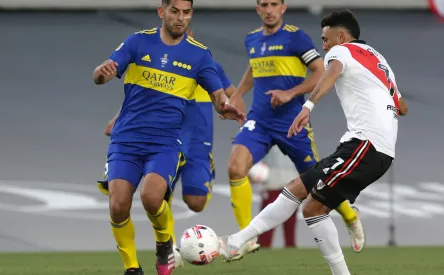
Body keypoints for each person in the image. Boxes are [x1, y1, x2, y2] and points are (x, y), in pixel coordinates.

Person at [219, 10, 408, 275]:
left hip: (366, 146)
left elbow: (331, 73)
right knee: (300, 192)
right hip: (363, 146)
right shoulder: (378, 60)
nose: (324, 45)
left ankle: (237, 242)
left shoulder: (341, 52)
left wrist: (308, 105)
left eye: (326, 39)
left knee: (312, 207)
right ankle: (237, 241)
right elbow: (402, 107)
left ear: (341, 36)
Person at [92, 1, 245, 275]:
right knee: (118, 205)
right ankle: (132, 268)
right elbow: (102, 76)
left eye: (186, 13)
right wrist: (101, 74)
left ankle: (164, 242)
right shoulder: (137, 42)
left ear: (191, 15)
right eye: (174, 11)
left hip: (164, 142)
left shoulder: (199, 55)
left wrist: (225, 106)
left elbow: (217, 95)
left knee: (152, 198)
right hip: (126, 139)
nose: (180, 18)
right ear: (162, 12)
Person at [226, 0, 364, 256]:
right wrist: (239, 93)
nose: (269, 9)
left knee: (318, 182)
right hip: (260, 120)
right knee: (235, 168)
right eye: (264, 5)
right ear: (258, 9)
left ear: (283, 8)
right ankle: (246, 237)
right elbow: (254, 68)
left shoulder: (295, 38)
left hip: (292, 123)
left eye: (274, 4)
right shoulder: (252, 40)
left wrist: (291, 93)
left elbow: (320, 71)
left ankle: (349, 215)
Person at [248, 146, 299, 248]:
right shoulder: (299, 132)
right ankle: (287, 249)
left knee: (270, 221)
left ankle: (266, 248)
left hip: (276, 182)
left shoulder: (265, 133)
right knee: (278, 222)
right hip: (285, 182)